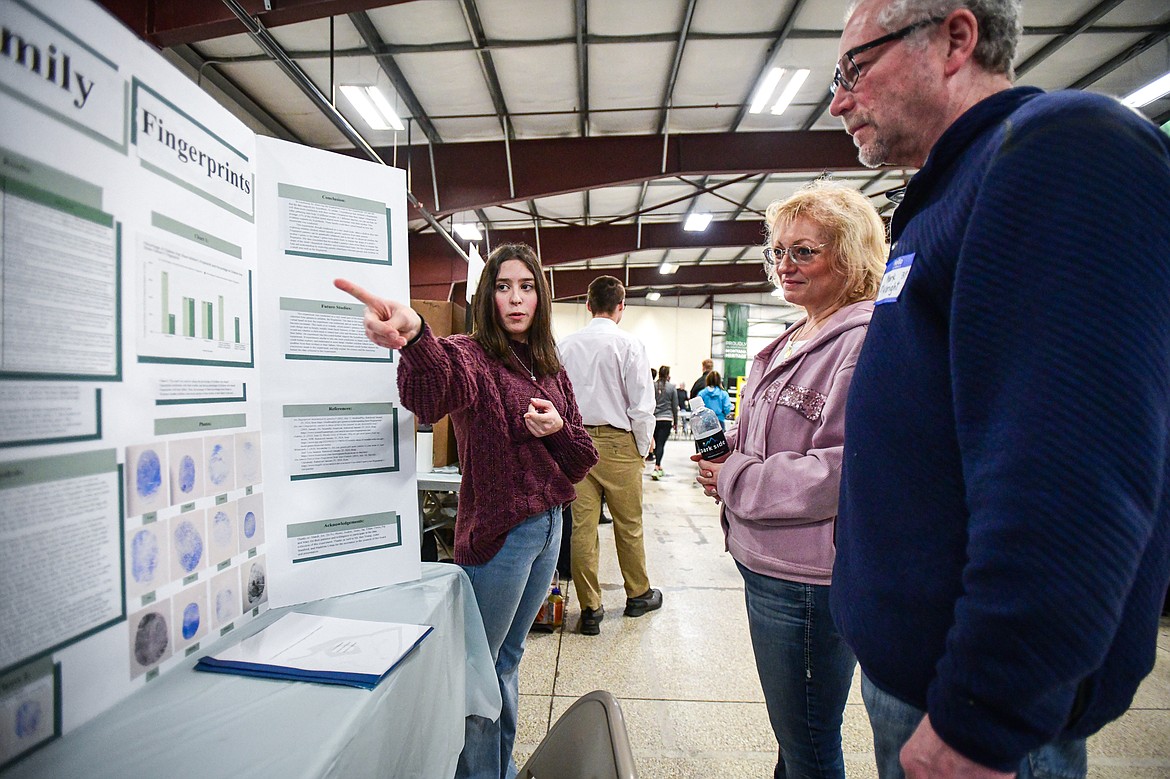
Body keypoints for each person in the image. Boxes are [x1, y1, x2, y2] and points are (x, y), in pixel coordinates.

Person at [828, 2, 1170, 778]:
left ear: (955, 38)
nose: (840, 100)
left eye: (853, 69)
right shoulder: (949, 198)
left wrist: (983, 716)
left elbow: (1074, 476)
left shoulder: (1063, 149)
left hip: (974, 718)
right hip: (920, 683)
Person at [334, 243, 598, 779]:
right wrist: (415, 340)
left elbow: (581, 459)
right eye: (503, 287)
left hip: (549, 527)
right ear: (487, 295)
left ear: (541, 297)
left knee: (506, 661)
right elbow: (435, 393)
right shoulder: (473, 354)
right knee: (478, 672)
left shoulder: (549, 365)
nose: (516, 298)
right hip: (501, 538)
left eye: (526, 286)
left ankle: (496, 765)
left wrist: (558, 431)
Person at [694, 180, 886, 779]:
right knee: (794, 732)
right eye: (778, 251)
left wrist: (738, 476)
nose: (785, 264)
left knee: (808, 741)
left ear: (850, 257)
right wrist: (731, 451)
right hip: (767, 560)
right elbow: (773, 436)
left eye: (804, 251)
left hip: (807, 577)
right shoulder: (792, 337)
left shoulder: (860, 341)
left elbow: (841, 468)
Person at [557, 275, 663, 635]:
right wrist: (642, 445)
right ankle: (637, 595)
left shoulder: (565, 345)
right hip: (619, 444)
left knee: (582, 529)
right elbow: (641, 405)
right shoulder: (630, 345)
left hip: (576, 442)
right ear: (621, 307)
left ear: (588, 305)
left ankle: (590, 609)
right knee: (628, 524)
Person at [650, 365, 679, 479]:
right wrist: (675, 422)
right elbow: (674, 406)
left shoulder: (653, 386)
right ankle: (657, 466)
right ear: (668, 374)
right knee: (661, 443)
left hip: (654, 419)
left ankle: (658, 463)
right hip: (666, 419)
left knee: (657, 443)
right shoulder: (672, 388)